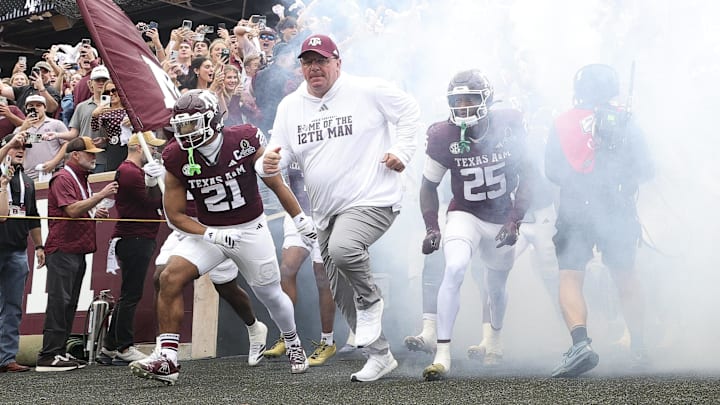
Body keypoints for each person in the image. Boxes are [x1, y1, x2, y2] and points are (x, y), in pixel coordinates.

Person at [257, 34, 421, 382]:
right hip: (325, 210)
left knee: (344, 249)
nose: (314, 68)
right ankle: (380, 355)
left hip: (373, 197)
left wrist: (403, 152)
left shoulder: (367, 89)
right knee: (339, 288)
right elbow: (277, 153)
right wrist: (267, 164)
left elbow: (409, 111)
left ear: (338, 63)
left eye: (321, 61)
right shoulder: (291, 106)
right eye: (307, 62)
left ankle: (372, 301)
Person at [130, 90, 316, 385]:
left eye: (192, 124)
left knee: (269, 294)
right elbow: (175, 215)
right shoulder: (176, 155)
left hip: (250, 229)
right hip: (210, 230)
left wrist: (299, 218)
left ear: (213, 120)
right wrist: (210, 233)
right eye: (181, 126)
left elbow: (275, 182)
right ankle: (168, 359)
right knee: (169, 277)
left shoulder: (243, 139)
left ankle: (293, 341)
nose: (185, 133)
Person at [419, 70, 537, 381]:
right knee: (455, 267)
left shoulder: (510, 123)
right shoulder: (443, 134)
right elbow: (428, 185)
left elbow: (530, 175)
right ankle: (442, 354)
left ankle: (494, 339)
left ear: (487, 99)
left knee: (495, 288)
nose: (463, 107)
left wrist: (515, 219)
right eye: (457, 101)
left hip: (501, 217)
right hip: (465, 213)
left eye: (470, 100)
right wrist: (432, 226)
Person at [546, 64, 653, 378]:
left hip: (576, 208)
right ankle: (639, 346)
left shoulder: (562, 122)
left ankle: (580, 343)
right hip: (617, 206)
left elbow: (551, 170)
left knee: (570, 275)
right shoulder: (627, 120)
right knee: (625, 276)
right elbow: (647, 169)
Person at [35, 136, 118, 372]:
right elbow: (71, 210)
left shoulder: (78, 178)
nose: (95, 157)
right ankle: (48, 354)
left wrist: (93, 212)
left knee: (68, 302)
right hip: (63, 249)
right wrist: (100, 196)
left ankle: (58, 353)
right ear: (75, 155)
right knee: (59, 302)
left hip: (75, 248)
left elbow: (76, 210)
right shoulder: (63, 177)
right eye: (90, 153)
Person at [96, 132, 165, 366]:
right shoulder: (130, 172)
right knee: (130, 295)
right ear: (138, 148)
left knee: (129, 294)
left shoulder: (131, 171)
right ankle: (124, 346)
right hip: (135, 237)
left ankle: (109, 347)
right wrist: (156, 183)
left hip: (135, 237)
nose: (154, 152)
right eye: (151, 148)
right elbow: (152, 201)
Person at [262, 164, 337, 366]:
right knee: (287, 269)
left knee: (322, 276)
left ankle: (327, 341)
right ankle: (287, 337)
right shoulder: (291, 140)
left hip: (328, 215)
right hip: (297, 214)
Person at [0, 133, 44, 373]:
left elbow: (33, 215)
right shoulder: (1, 175)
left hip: (17, 249)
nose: (20, 150)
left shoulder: (27, 180)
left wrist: (38, 246)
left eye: (24, 147)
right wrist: (10, 142)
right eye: (16, 146)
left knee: (13, 307)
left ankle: (6, 358)